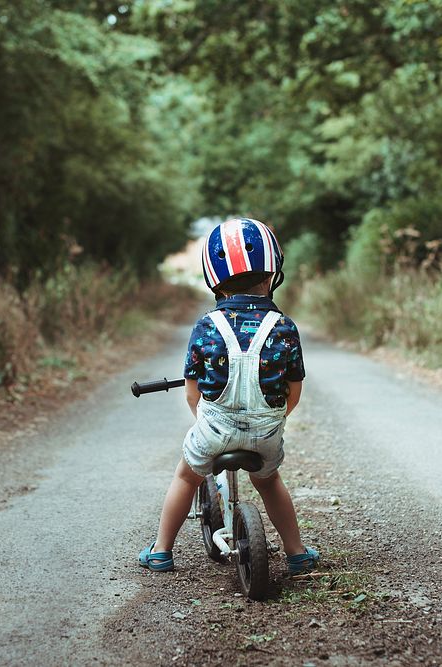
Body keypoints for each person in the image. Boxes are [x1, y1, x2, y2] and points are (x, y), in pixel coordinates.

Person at [139, 217, 319, 575]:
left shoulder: (206, 326)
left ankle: (161, 551)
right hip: (266, 432)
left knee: (185, 477)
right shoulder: (284, 327)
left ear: (214, 281)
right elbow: (293, 392)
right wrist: (271, 420)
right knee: (269, 482)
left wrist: (208, 420)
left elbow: (193, 392)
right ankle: (297, 553)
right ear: (271, 276)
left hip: (214, 429)